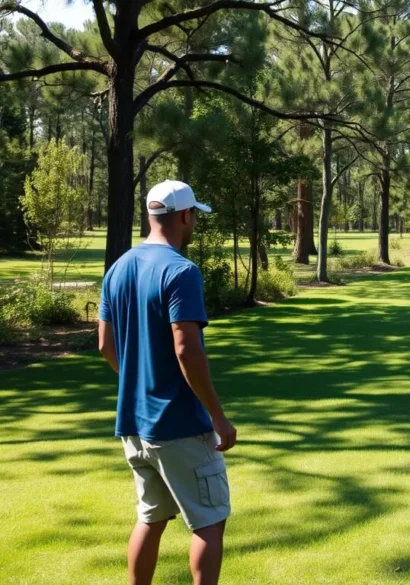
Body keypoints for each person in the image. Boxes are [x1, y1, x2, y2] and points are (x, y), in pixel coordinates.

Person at [98, 180, 237, 585]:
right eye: (194, 215)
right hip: (178, 424)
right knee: (209, 521)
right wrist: (218, 417)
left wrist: (137, 383)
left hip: (134, 424)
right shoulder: (181, 271)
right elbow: (187, 350)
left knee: (151, 519)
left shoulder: (119, 267)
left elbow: (106, 344)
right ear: (184, 216)